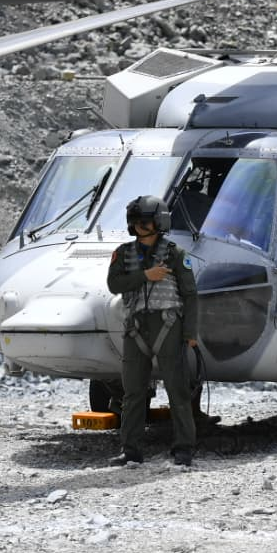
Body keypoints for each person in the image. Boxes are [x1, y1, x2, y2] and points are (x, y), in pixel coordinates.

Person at [106, 194, 200, 467]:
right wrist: (146, 276)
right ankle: (131, 450)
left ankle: (184, 448)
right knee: (133, 392)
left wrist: (190, 333)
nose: (140, 228)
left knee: (177, 389)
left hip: (168, 325)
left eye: (146, 223)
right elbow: (114, 285)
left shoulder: (175, 254)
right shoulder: (123, 254)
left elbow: (191, 295)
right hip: (135, 328)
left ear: (159, 222)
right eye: (136, 223)